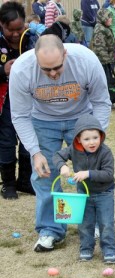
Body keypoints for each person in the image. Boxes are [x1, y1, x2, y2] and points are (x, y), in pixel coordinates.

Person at [9, 35, 111, 252]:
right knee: (45, 175)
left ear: (65, 54)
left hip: (82, 119)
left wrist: (97, 137)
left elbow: (102, 102)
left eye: (57, 67)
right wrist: (35, 152)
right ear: (36, 60)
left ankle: (91, 223)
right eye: (46, 70)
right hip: (43, 121)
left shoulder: (87, 61)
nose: (53, 74)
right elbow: (19, 115)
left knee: (89, 173)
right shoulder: (21, 70)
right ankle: (50, 230)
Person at [52, 114, 115, 263]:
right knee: (84, 223)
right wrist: (62, 166)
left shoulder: (105, 152)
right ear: (78, 139)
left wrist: (87, 174)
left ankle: (109, 250)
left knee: (106, 223)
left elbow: (108, 174)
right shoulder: (73, 150)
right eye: (87, 139)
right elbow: (57, 156)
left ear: (101, 136)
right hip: (83, 194)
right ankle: (86, 248)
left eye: (95, 137)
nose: (92, 142)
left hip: (104, 193)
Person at [0, 2, 37, 200]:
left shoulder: (32, 39)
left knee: (27, 138)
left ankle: (25, 180)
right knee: (6, 140)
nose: (15, 34)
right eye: (10, 30)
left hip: (28, 98)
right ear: (1, 24)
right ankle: (8, 184)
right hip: (4, 100)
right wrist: (3, 70)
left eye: (19, 29)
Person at [91, 8, 115, 109]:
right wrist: (107, 61)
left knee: (108, 82)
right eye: (108, 17)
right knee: (104, 83)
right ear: (103, 18)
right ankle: (106, 103)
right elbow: (100, 47)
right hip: (103, 62)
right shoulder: (100, 29)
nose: (110, 19)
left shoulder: (104, 27)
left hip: (107, 61)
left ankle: (109, 101)